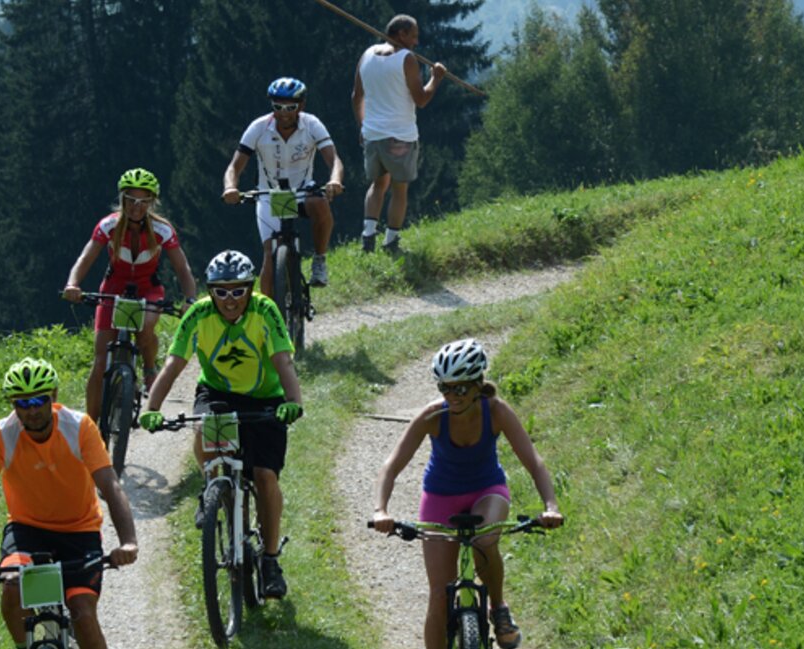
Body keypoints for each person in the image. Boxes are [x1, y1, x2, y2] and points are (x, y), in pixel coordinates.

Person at [367, 339, 564, 649]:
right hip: (440, 498)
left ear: (477, 385)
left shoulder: (497, 411)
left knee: (484, 540)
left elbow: (534, 463)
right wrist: (381, 510)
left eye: (460, 389)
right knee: (439, 596)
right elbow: (391, 466)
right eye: (445, 388)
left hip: (487, 490)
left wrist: (550, 506)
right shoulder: (433, 416)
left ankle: (498, 608)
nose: (452, 396)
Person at [139, 250, 305, 597]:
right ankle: (211, 487)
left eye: (238, 291)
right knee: (203, 428)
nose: (230, 300)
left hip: (266, 398)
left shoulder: (265, 310)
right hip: (218, 392)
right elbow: (173, 363)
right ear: (211, 291)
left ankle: (271, 559)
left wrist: (293, 402)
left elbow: (283, 361)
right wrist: (151, 407)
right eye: (221, 291)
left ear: (249, 288)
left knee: (264, 476)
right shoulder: (199, 314)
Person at [0, 358, 140, 649]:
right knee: (12, 588)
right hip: (26, 530)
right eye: (22, 403)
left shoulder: (79, 427)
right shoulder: (0, 435)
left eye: (39, 400)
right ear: (13, 404)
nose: (32, 410)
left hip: (80, 530)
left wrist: (128, 542)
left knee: (83, 612)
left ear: (54, 397)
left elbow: (110, 485)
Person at [62, 168, 198, 422]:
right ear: (122, 200)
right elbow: (86, 257)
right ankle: (92, 430)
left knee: (146, 328)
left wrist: (189, 300)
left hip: (149, 288)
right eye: (131, 200)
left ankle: (148, 369)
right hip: (113, 287)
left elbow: (183, 268)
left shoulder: (162, 229)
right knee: (101, 358)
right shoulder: (109, 226)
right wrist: (73, 284)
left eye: (143, 201)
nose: (136, 207)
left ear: (152, 202)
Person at [222, 77, 347, 290]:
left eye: (291, 107)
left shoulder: (312, 124)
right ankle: (270, 317)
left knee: (320, 202)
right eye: (277, 107)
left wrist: (335, 180)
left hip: (302, 192)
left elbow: (334, 159)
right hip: (271, 196)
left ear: (301, 106)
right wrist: (230, 188)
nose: (284, 112)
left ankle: (319, 260)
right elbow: (234, 166)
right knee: (270, 255)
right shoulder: (259, 127)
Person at [353, 13, 447, 253]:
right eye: (413, 36)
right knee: (399, 189)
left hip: (373, 134)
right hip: (400, 136)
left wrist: (363, 126)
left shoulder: (367, 55)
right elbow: (421, 99)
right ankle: (391, 241)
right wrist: (435, 79)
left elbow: (356, 97)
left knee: (377, 185)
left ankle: (368, 237)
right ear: (401, 34)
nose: (416, 42)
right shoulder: (407, 58)